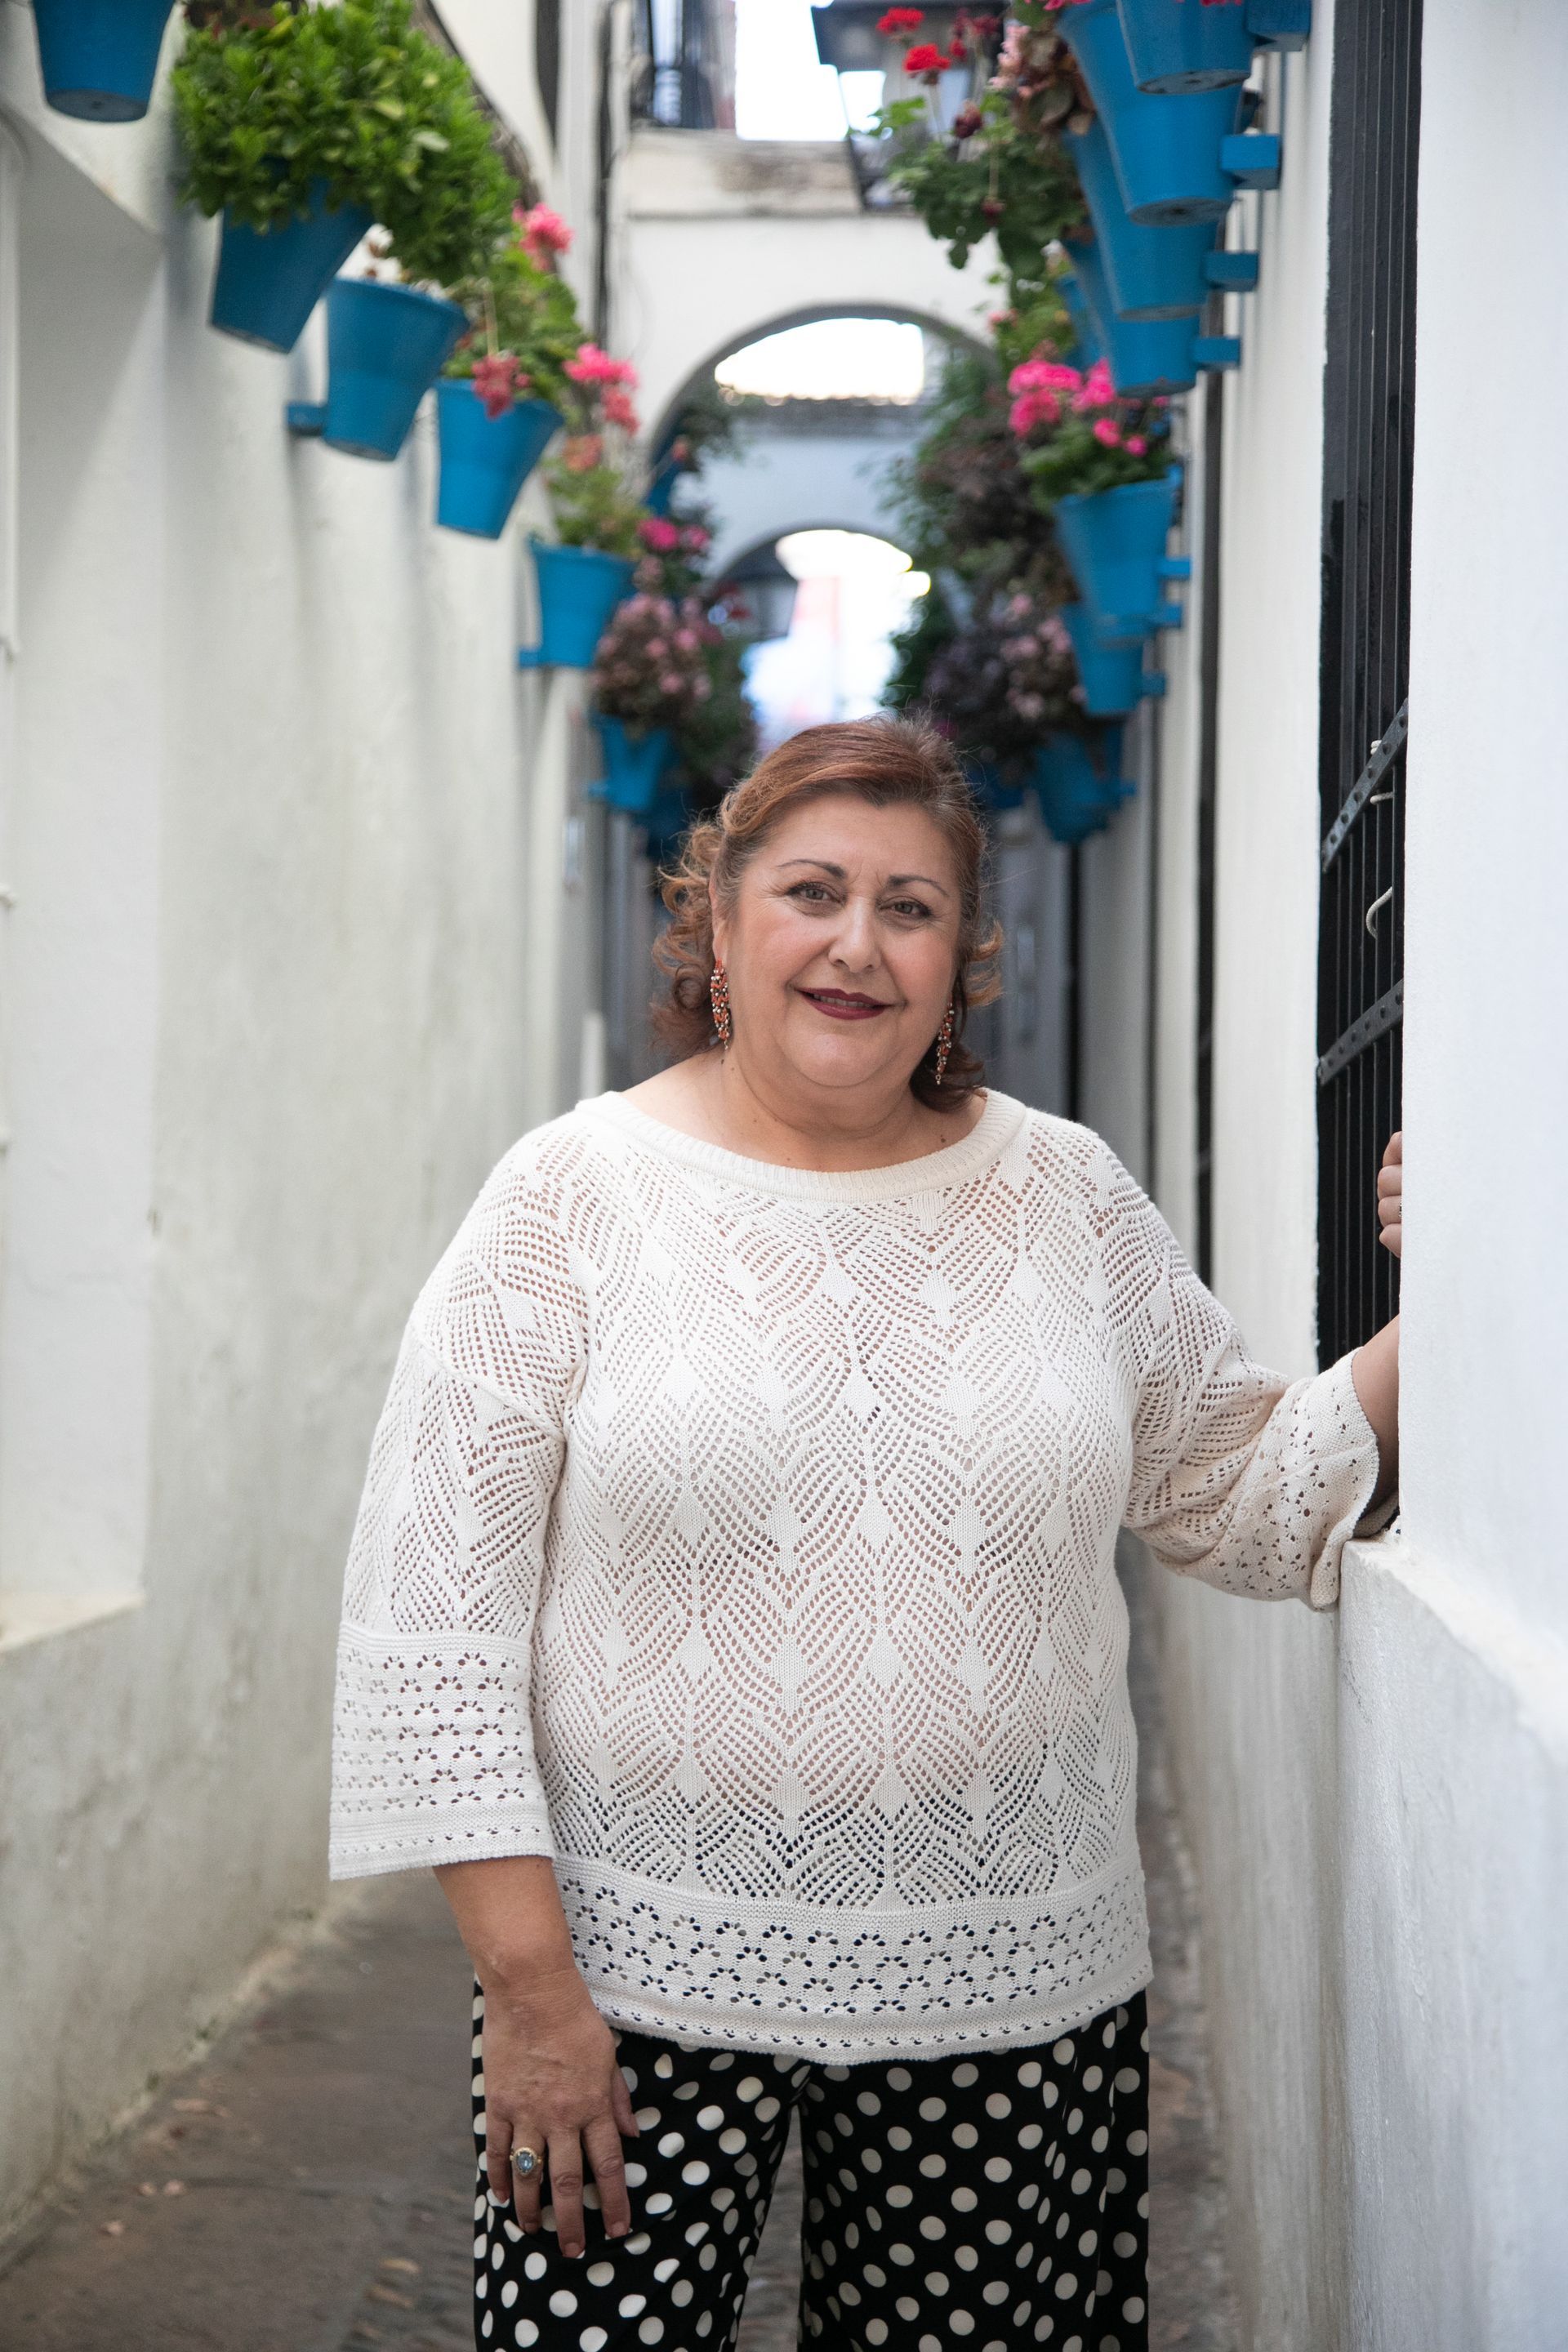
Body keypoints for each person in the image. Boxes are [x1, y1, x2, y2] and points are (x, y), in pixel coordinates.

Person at [330, 717, 1401, 2352]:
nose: (856, 943)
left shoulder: (1066, 1197)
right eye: (813, 890)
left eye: (910, 907)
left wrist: (1454, 1294)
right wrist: (530, 1993)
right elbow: (436, 1619)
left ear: (963, 959)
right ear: (721, 920)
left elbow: (1231, 1493)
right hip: (624, 1989)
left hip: (1012, 1983)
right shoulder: (568, 1199)